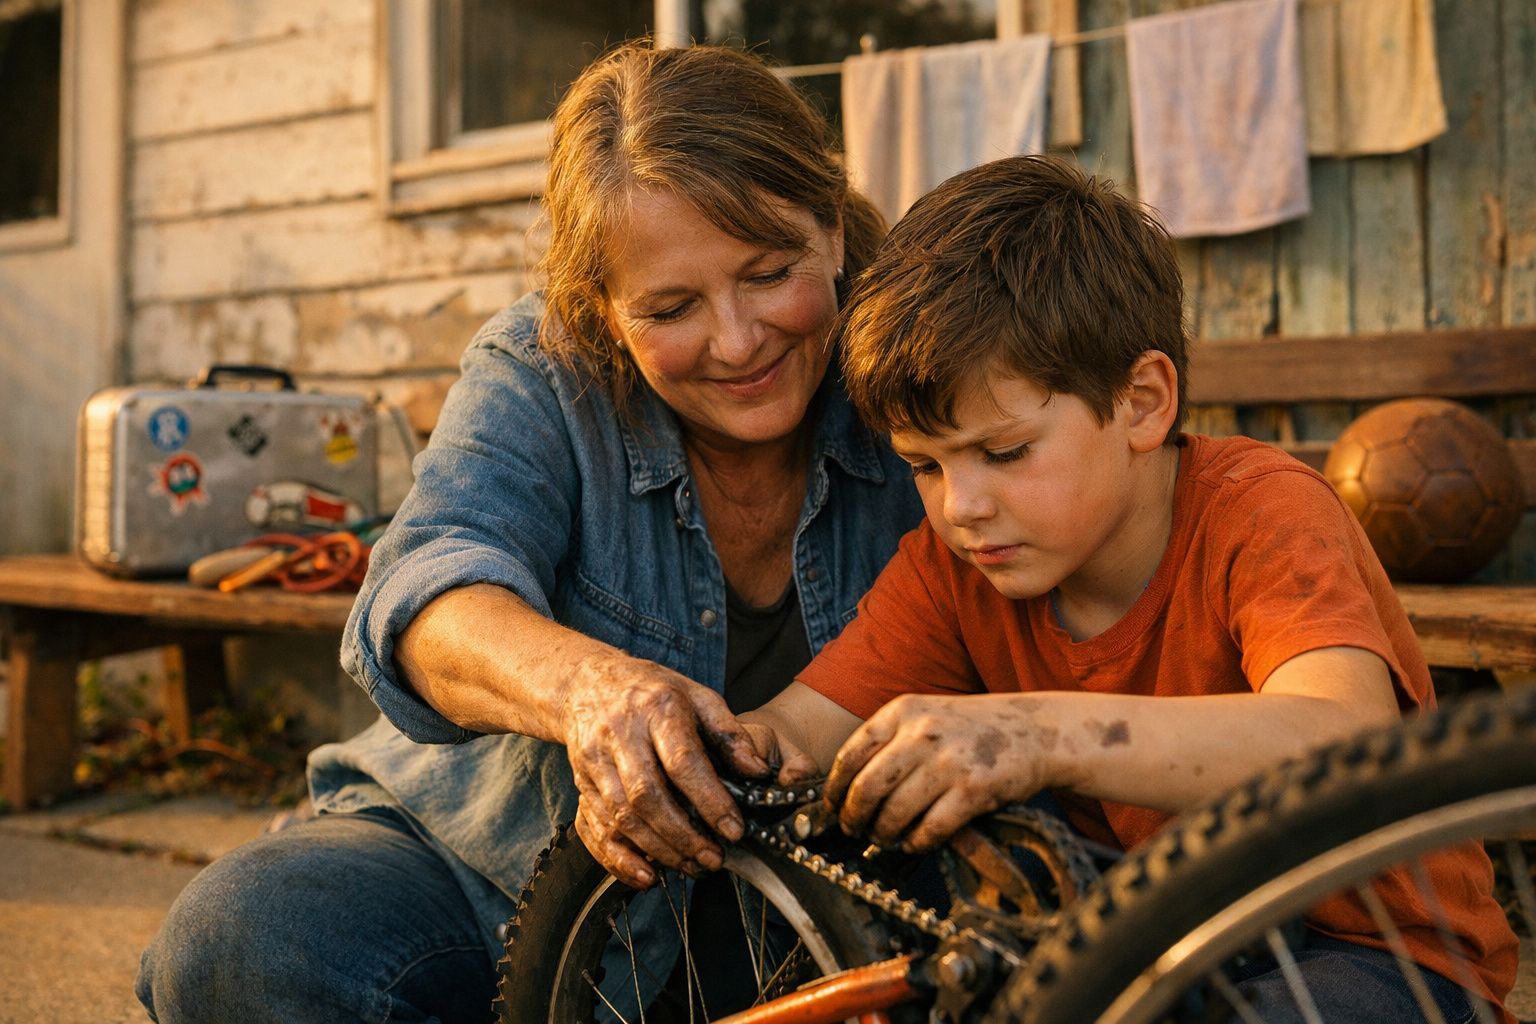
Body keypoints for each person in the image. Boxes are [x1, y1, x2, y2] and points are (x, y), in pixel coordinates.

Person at [135, 42, 923, 1022]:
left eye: (770, 273)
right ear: (600, 307)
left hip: (838, 897)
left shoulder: (916, 361)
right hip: (500, 865)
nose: (737, 338)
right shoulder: (542, 368)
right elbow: (426, 585)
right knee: (240, 942)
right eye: (672, 306)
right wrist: (590, 689)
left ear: (835, 231)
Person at [730, 155, 1519, 1020]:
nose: (963, 506)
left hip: (1377, 955)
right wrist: (700, 754)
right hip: (1166, 948)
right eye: (924, 465)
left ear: (1143, 402)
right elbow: (797, 732)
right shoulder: (957, 568)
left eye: (1004, 453)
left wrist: (1035, 733)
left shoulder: (1261, 510)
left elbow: (1340, 740)